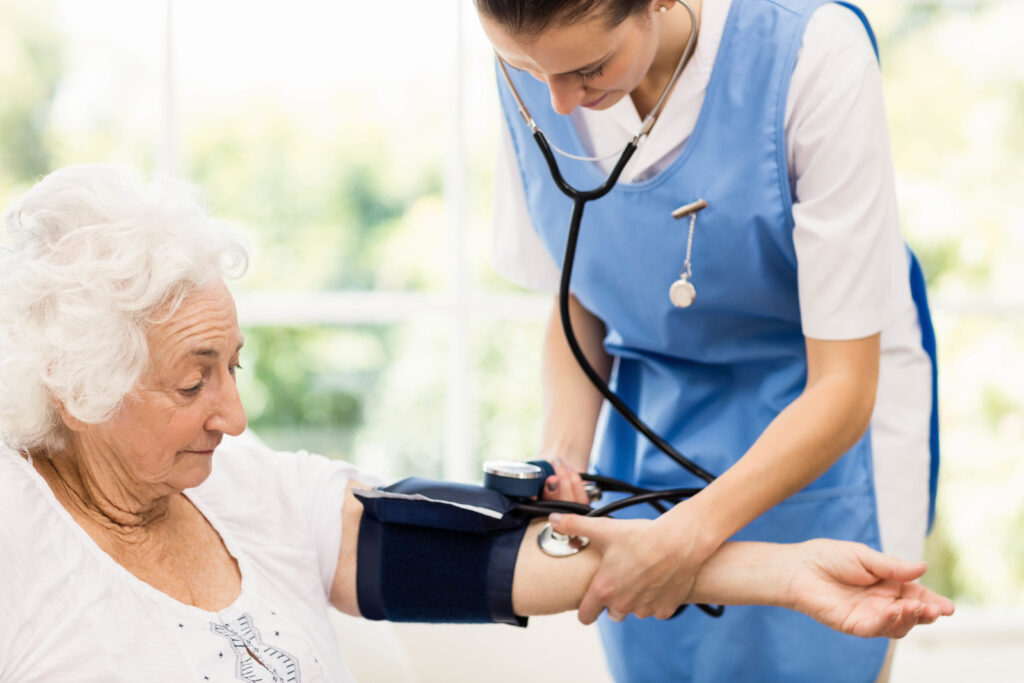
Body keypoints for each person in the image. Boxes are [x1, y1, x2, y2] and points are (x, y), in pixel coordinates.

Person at [0, 166, 951, 682]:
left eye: (233, 367)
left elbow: (498, 555)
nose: (233, 414)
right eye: (191, 382)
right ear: (78, 386)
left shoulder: (244, 490)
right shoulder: (20, 535)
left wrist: (780, 570)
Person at [476, 0, 938, 680]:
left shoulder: (814, 54)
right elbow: (580, 290)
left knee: (821, 650)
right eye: (525, 67)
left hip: (824, 416)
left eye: (590, 67)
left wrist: (689, 534)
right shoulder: (543, 64)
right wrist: (563, 456)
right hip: (650, 420)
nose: (561, 101)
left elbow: (845, 385)